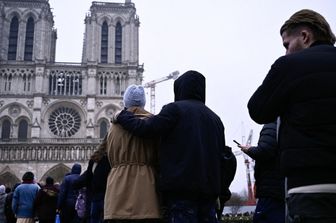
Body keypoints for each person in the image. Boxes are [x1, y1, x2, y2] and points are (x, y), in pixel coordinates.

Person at [247, 9, 336, 223]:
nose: (286, 52)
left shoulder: (289, 65)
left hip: (309, 186)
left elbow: (258, 110)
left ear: (305, 36)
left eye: (287, 45)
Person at [116, 71, 233, 223]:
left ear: (179, 89)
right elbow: (222, 158)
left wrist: (122, 116)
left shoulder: (174, 110)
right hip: (209, 195)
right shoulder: (216, 119)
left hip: (181, 192)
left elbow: (145, 129)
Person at [104, 84, 161, 223]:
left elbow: (110, 158)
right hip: (147, 192)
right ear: (143, 102)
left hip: (116, 192)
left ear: (126, 102)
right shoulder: (154, 124)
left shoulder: (113, 128)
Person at [238, 121, 285, 223]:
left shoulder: (271, 125)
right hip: (283, 189)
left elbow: (264, 151)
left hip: (271, 191)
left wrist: (249, 150)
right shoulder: (289, 124)